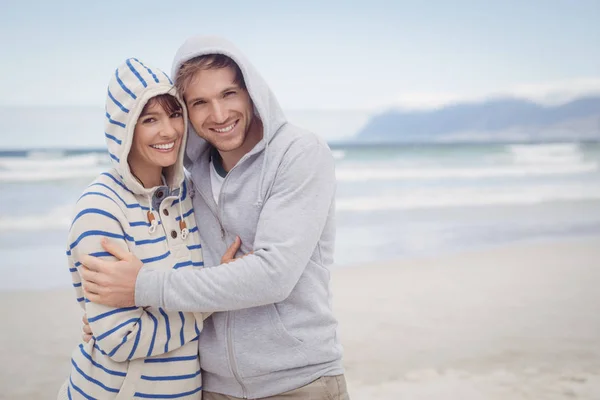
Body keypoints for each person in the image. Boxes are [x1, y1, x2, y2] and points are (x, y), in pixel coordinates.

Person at [80, 36, 349, 399]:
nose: (219, 115)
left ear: (251, 92)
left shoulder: (298, 154)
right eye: (199, 103)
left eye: (228, 94)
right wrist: (107, 320)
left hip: (299, 382)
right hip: (212, 387)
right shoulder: (189, 185)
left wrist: (143, 286)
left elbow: (273, 276)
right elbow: (178, 273)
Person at [59, 57, 239, 399]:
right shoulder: (101, 207)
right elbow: (121, 339)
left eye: (174, 115)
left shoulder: (187, 194)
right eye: (150, 119)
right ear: (125, 128)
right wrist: (210, 302)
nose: (169, 131)